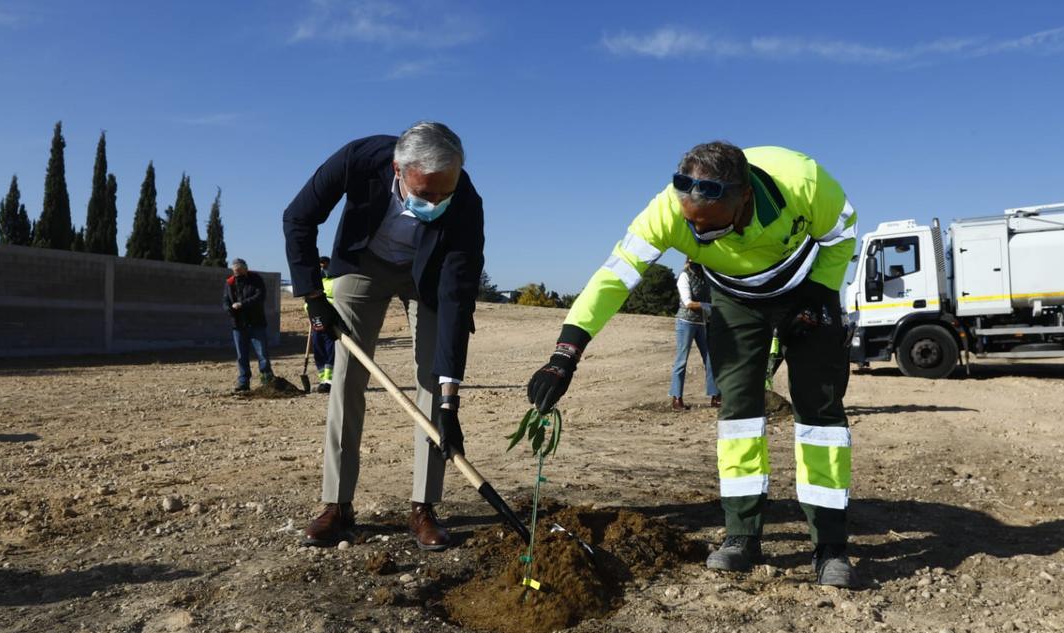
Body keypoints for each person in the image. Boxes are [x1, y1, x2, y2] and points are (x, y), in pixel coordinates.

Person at [526, 142, 858, 587]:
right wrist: (565, 354)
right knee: (737, 412)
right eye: (690, 224)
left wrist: (820, 294)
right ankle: (741, 533)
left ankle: (830, 544)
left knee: (820, 414)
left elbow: (843, 233)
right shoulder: (668, 210)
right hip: (736, 299)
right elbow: (615, 275)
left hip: (805, 289)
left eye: (709, 228)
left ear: (744, 199)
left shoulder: (804, 182)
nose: (696, 236)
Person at [283, 122, 484, 550]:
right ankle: (337, 505)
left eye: (444, 194)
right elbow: (298, 217)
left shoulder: (465, 201)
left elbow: (455, 299)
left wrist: (451, 401)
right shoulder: (359, 158)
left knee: (432, 378)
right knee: (347, 376)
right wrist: (312, 295)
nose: (436, 202)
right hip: (363, 263)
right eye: (426, 194)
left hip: (426, 277)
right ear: (398, 169)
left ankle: (423, 506)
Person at [670, 258, 721, 411]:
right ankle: (676, 398)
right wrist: (712, 307)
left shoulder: (706, 277)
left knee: (710, 360)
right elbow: (689, 303)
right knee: (681, 361)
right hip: (685, 322)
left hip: (702, 323)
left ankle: (715, 396)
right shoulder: (684, 276)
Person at [223, 258, 274, 392]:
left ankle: (267, 380)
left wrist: (242, 304)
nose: (237, 273)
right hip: (238, 325)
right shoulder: (230, 283)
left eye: (239, 270)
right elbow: (225, 300)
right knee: (241, 356)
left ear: (245, 268)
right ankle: (243, 382)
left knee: (262, 353)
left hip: (256, 323)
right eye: (235, 271)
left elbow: (260, 297)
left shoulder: (256, 279)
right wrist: (229, 309)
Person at [310, 256, 337, 394]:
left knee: (331, 349)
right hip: (316, 320)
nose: (322, 268)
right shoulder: (316, 282)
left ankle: (330, 380)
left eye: (324, 265)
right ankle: (323, 379)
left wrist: (325, 307)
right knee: (318, 349)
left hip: (331, 321)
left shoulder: (336, 281)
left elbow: (338, 300)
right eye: (320, 266)